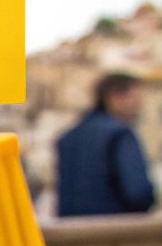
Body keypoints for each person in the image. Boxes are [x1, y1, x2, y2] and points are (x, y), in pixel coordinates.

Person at [55, 72, 156, 215]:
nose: (139, 107)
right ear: (116, 97)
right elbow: (139, 193)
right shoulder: (119, 134)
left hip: (71, 226)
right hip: (114, 224)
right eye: (136, 99)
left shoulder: (67, 137)